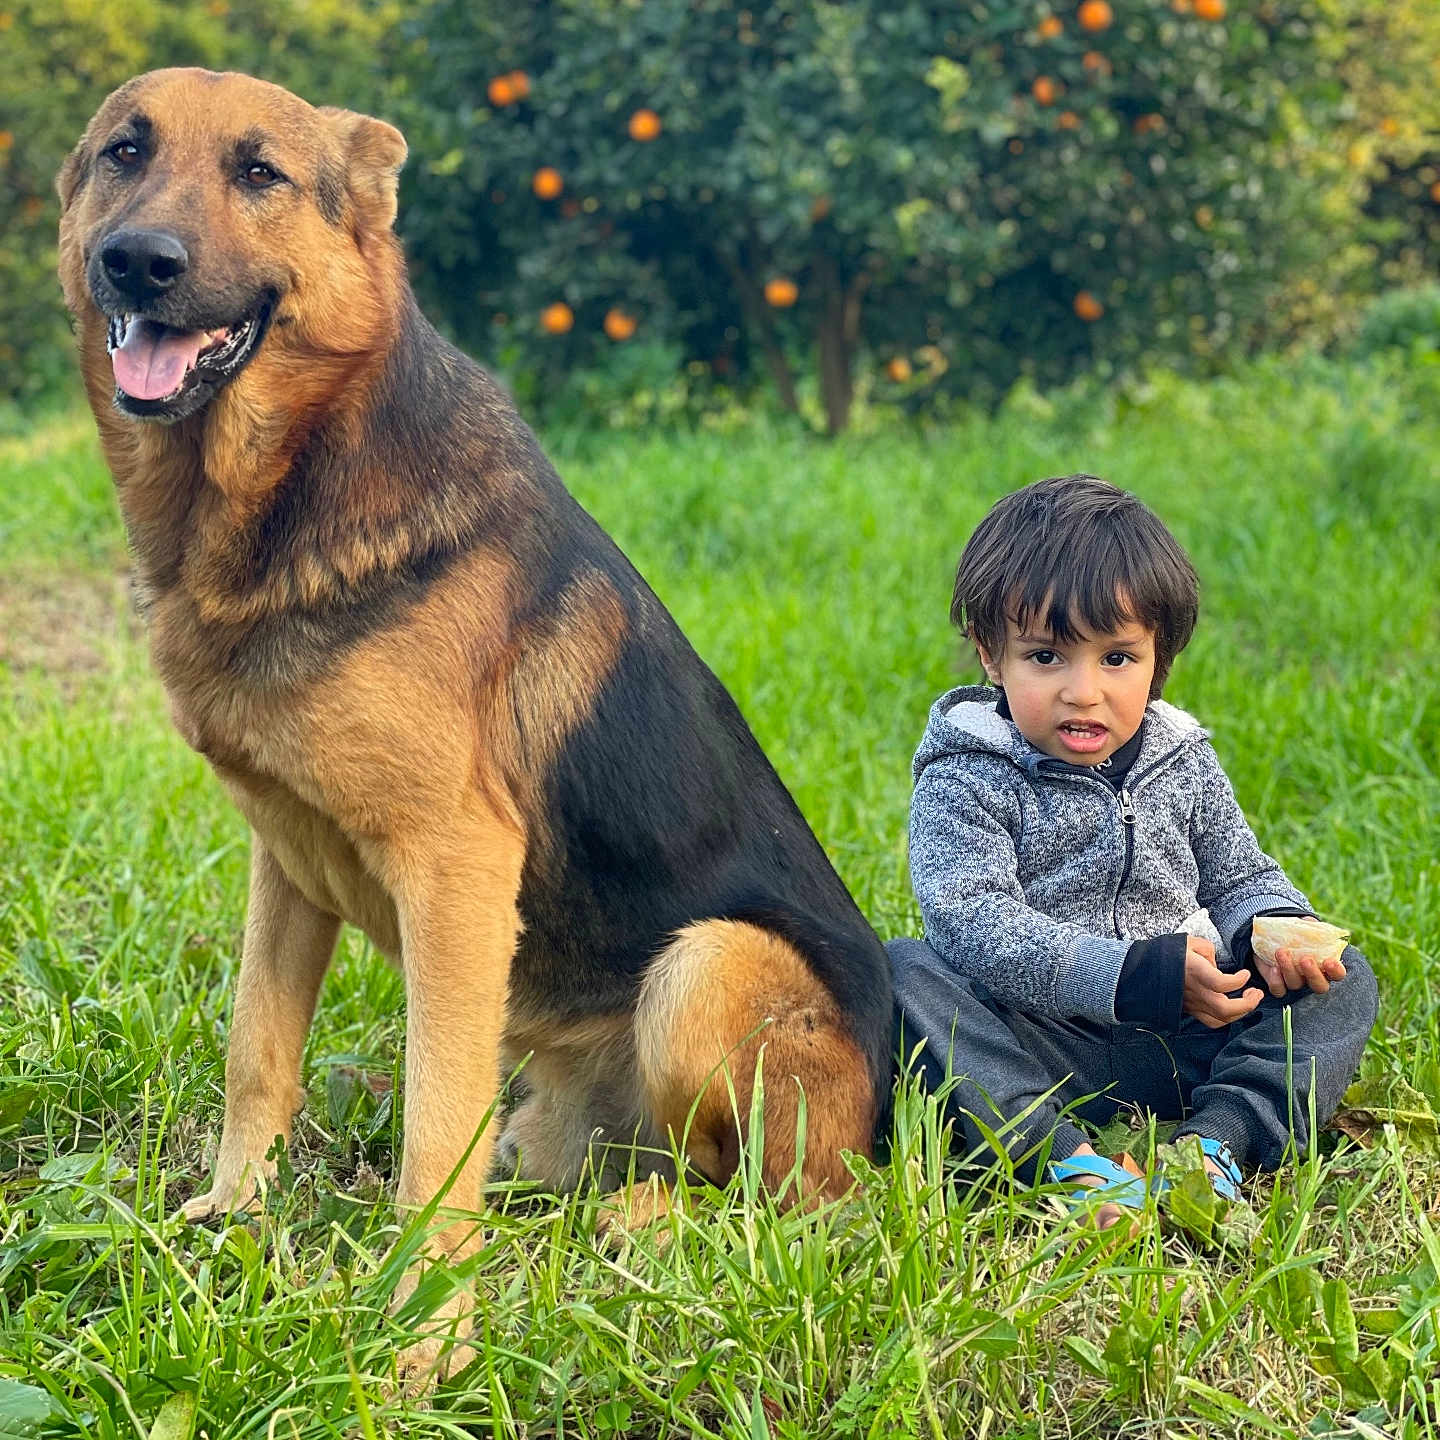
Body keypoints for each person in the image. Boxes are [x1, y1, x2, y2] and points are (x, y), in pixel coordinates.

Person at [889, 474, 1378, 1226]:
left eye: (1117, 658)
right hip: (1046, 1042)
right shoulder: (966, 773)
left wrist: (1269, 931)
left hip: (1195, 1029)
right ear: (990, 656)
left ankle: (1217, 1146)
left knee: (1342, 979)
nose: (1083, 692)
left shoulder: (1179, 757)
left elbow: (1238, 873)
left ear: (1159, 658)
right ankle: (1062, 1161)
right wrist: (1129, 976)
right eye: (1046, 657)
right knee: (902, 975)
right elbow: (974, 922)